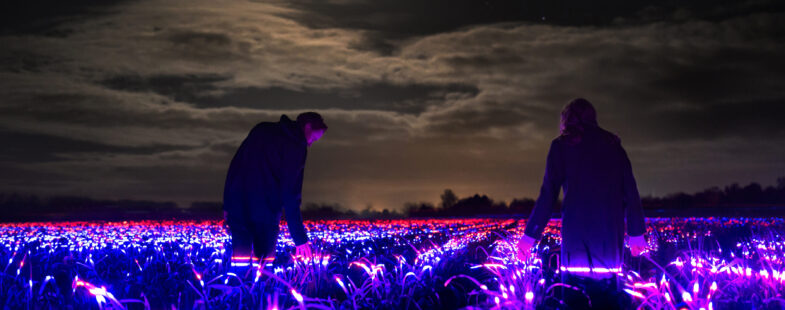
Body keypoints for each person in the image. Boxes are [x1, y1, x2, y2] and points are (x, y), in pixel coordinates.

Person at [516, 98, 647, 309]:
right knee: (609, 301)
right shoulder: (614, 146)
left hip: (576, 241)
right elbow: (631, 191)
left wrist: (529, 236)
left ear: (566, 119)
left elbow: (548, 195)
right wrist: (636, 234)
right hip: (609, 241)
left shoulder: (561, 145)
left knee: (575, 300)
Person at [222, 112, 327, 273]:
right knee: (264, 264)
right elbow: (291, 193)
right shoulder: (295, 147)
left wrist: (227, 203)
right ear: (307, 127)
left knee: (240, 260)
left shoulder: (261, 129)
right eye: (312, 139)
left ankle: (237, 293)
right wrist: (299, 238)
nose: (310, 144)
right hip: (266, 211)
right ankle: (261, 294)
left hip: (239, 204)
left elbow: (235, 166)